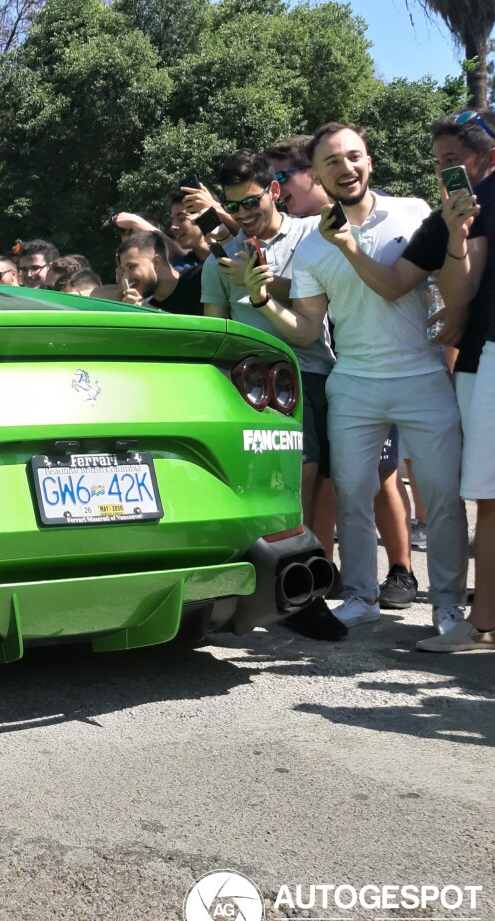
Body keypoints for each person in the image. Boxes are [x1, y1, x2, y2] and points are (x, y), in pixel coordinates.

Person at [245, 123, 468, 636]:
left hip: (423, 375)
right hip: (355, 383)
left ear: (369, 162)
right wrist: (262, 301)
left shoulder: (413, 212)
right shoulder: (312, 248)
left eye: (354, 157)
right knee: (350, 495)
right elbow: (305, 329)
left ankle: (449, 607)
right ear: (318, 176)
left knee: (441, 496)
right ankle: (362, 596)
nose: (346, 168)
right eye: (332, 162)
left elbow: (422, 283)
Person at [199, 149, 343, 640]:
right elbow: (211, 329)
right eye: (234, 206)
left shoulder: (307, 236)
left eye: (252, 201)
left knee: (312, 484)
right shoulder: (220, 258)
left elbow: (317, 304)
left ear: (275, 190)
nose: (244, 214)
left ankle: (309, 586)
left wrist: (258, 284)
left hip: (308, 373)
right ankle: (275, 594)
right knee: (269, 487)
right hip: (249, 386)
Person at [408, 110, 495, 651]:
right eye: (438, 163)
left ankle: (482, 624)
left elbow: (458, 298)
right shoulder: (465, 210)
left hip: (489, 358)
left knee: (489, 499)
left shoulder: (481, 203)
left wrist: (458, 235)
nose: (444, 173)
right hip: (480, 355)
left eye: (453, 162)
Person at [116, 231, 204, 314]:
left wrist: (150, 312)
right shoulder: (146, 305)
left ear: (156, 263)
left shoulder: (201, 279)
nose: (125, 278)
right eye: (123, 270)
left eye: (132, 266)